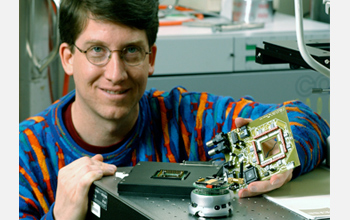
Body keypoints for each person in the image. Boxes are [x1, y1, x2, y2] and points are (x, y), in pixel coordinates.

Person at [19, 0, 330, 219]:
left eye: (131, 51)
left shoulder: (190, 118)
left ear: (150, 58)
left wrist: (276, 157)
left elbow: (308, 120)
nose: (115, 73)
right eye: (97, 50)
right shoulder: (24, 153)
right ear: (68, 58)